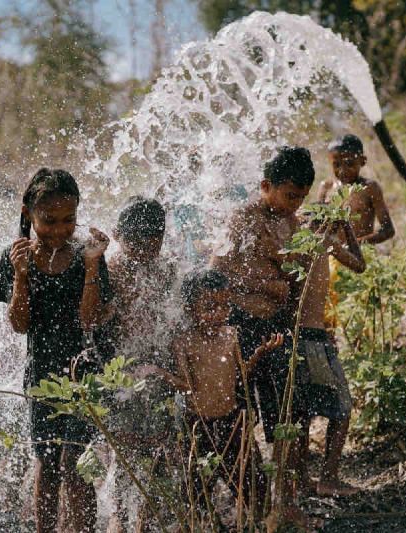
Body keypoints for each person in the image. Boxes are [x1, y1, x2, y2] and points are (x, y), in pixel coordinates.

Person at [0, 168, 112, 533]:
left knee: (76, 460)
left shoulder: (86, 254)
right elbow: (20, 325)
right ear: (28, 214)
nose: (61, 230)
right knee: (46, 459)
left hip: (83, 372)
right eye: (50, 220)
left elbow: (89, 320)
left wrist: (92, 265)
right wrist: (21, 276)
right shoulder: (14, 256)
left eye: (69, 220)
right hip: (42, 372)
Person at [210, 146, 315, 526]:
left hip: (278, 330)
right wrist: (266, 281)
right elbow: (216, 271)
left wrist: (284, 272)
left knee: (285, 416)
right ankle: (247, 499)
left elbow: (298, 277)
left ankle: (284, 502)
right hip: (240, 327)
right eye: (290, 196)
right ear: (266, 186)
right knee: (240, 415)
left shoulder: (293, 225)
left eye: (301, 198)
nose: (294, 204)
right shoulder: (243, 218)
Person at [144, 270, 280, 522]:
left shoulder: (231, 335)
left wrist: (260, 353)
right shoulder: (184, 342)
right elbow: (186, 387)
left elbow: (239, 375)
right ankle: (206, 525)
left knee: (255, 484)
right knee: (195, 494)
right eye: (209, 307)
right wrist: (159, 372)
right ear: (189, 309)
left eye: (224, 306)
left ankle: (258, 525)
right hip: (199, 427)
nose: (219, 313)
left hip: (231, 423)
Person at [104, 196, 180, 533]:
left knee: (161, 442)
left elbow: (174, 320)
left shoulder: (166, 269)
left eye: (154, 245)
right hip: (122, 368)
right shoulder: (112, 269)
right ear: (119, 236)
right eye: (139, 246)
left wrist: (176, 366)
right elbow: (101, 325)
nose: (146, 253)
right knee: (125, 445)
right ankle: (120, 516)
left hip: (158, 362)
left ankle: (150, 516)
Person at [292, 219, 365, 497]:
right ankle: (328, 478)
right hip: (311, 339)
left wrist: (344, 228)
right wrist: (346, 229)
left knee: (301, 412)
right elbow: (359, 264)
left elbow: (358, 265)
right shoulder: (320, 241)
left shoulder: (299, 240)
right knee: (341, 406)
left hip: (300, 337)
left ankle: (302, 479)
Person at [317, 134, 395, 245]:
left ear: (362, 161)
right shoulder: (326, 187)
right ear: (330, 162)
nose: (342, 170)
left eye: (349, 163)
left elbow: (388, 230)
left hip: (362, 255)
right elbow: (318, 225)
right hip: (333, 257)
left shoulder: (369, 188)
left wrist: (355, 245)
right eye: (336, 164)